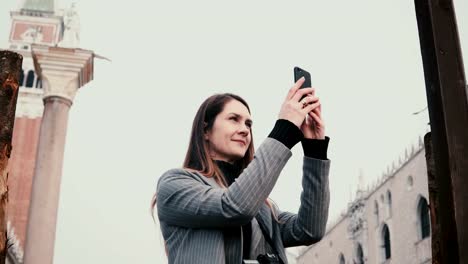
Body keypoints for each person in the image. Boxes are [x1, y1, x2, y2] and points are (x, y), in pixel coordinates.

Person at [152, 77, 330, 264]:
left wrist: (314, 150)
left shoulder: (263, 209)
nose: (245, 130)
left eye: (248, 124)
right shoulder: (174, 184)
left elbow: (310, 230)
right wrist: (284, 130)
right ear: (206, 130)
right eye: (234, 119)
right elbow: (233, 206)